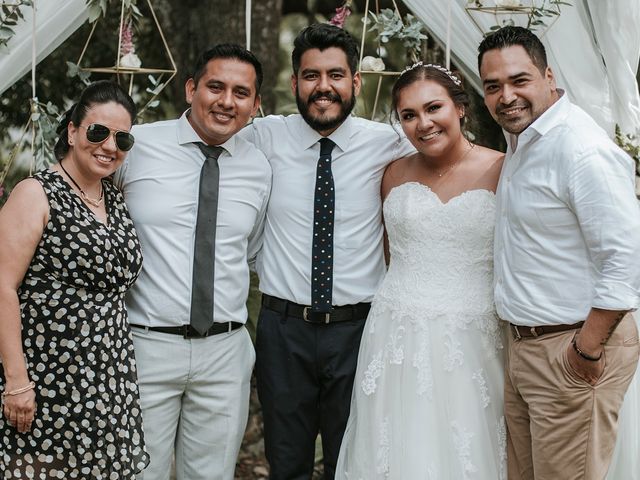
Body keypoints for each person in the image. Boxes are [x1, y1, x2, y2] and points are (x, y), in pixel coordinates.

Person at [239, 23, 415, 479]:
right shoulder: (262, 138)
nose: (324, 88)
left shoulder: (391, 144)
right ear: (294, 82)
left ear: (355, 82)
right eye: (311, 75)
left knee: (355, 460)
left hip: (361, 330)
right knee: (287, 462)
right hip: (283, 331)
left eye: (335, 75)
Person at [478, 26, 640, 480]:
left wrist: (585, 351)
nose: (506, 96)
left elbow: (625, 260)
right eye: (493, 86)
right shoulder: (524, 141)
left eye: (519, 80)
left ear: (549, 76)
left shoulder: (580, 149)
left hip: (572, 350)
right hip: (526, 348)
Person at [335, 63, 506, 479]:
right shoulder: (393, 174)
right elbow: (392, 251)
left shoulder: (502, 168)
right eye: (409, 115)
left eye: (434, 108)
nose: (423, 124)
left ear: (460, 108)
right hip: (397, 333)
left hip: (474, 333)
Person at [113, 44, 270, 480]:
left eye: (241, 92)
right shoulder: (136, 145)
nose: (226, 101)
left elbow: (250, 248)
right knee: (139, 473)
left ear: (255, 105)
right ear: (190, 88)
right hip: (145, 346)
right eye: (215, 86)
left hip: (224, 351)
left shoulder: (259, 167)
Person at [0, 80, 148, 478]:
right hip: (47, 379)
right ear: (72, 130)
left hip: (107, 380)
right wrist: (17, 381)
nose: (110, 146)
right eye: (98, 132)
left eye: (123, 139)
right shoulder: (36, 193)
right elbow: (2, 288)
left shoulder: (114, 199)